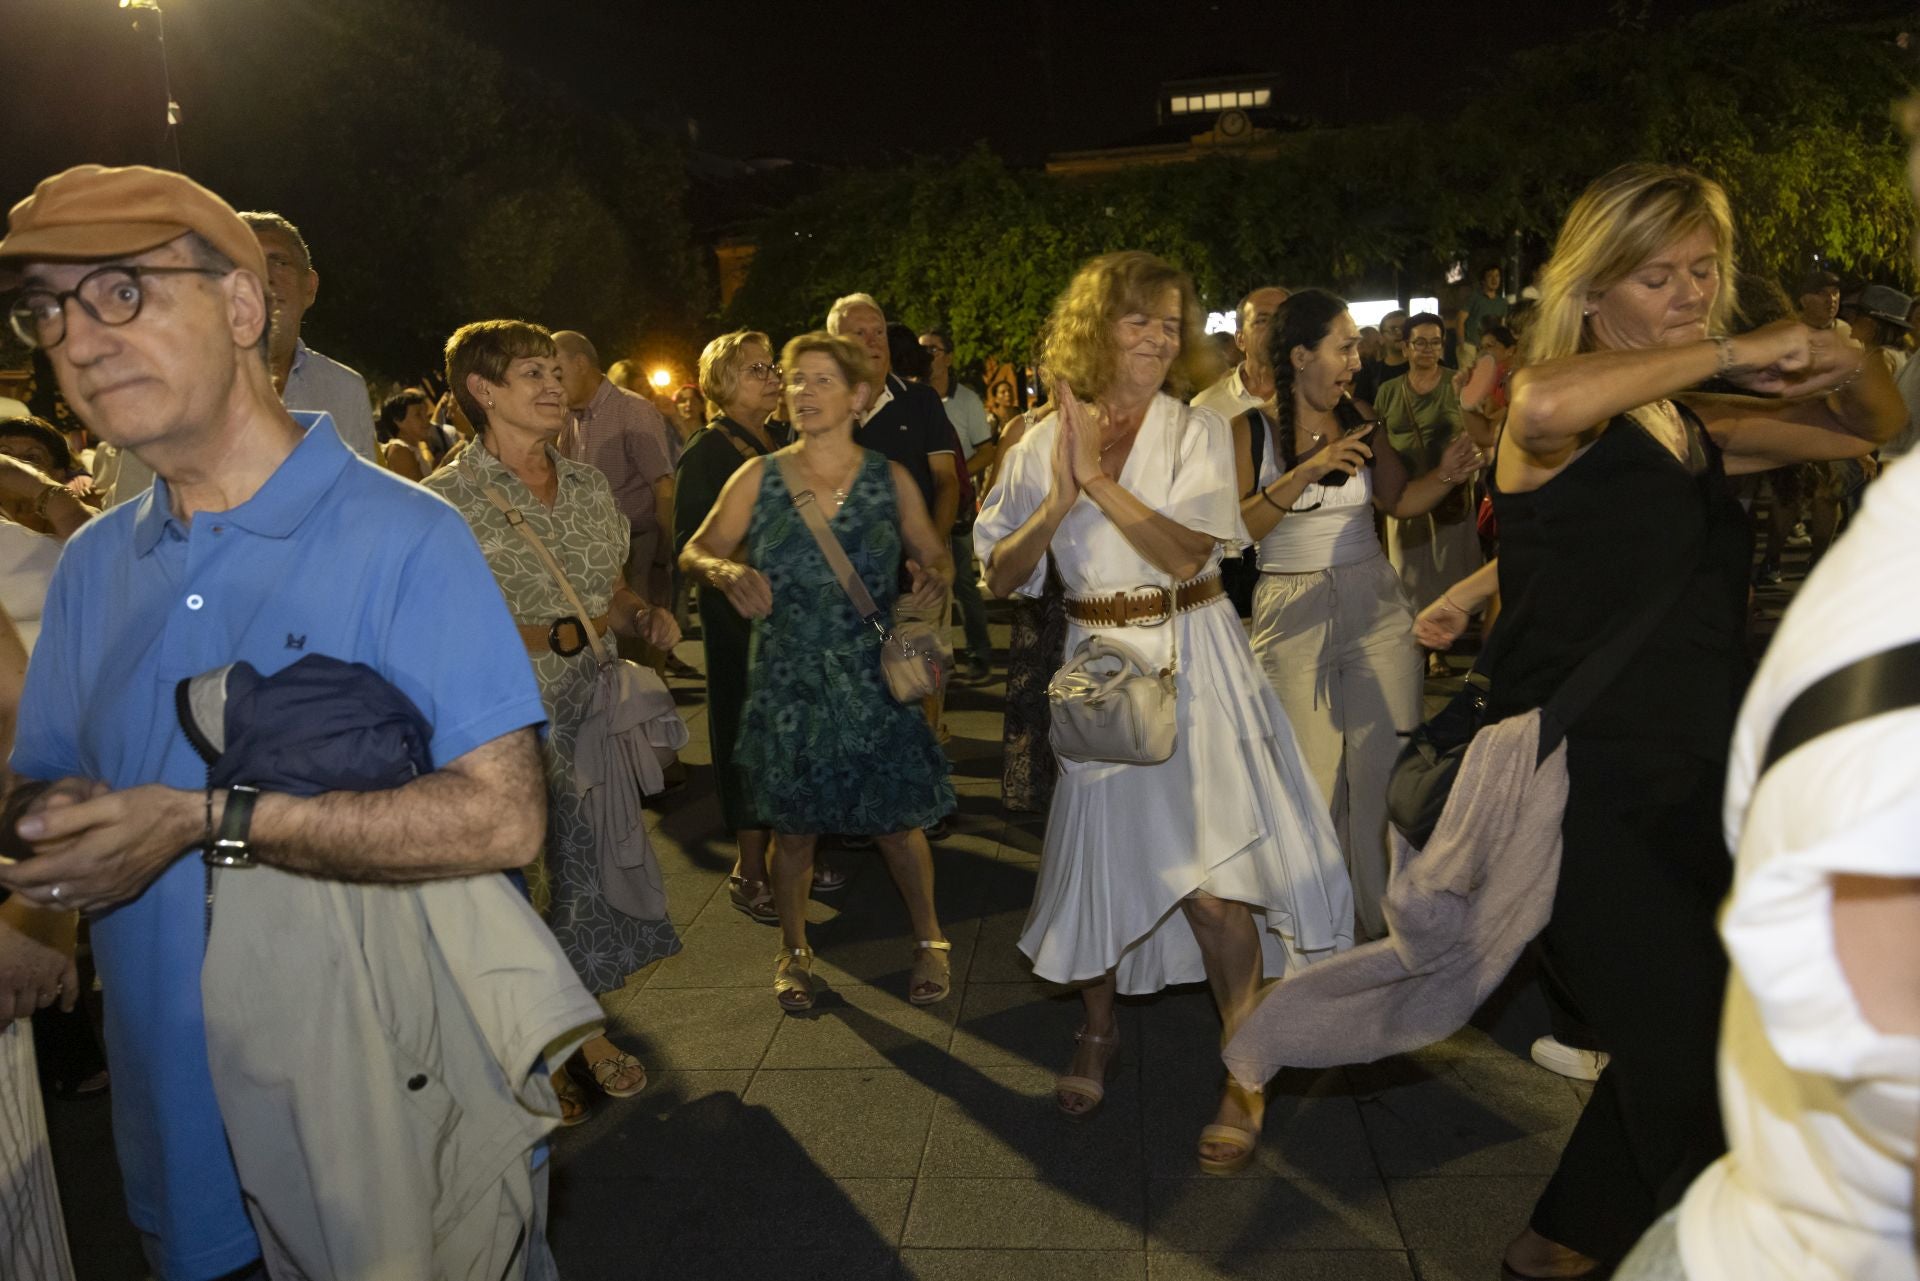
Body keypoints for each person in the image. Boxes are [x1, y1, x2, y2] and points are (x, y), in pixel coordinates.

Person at [0, 163, 558, 1281]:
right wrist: (45, 864)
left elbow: (504, 822)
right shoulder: (96, 562)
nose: (78, 340)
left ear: (245, 307)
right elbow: (45, 773)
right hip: (180, 1146)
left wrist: (203, 818)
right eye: (46, 310)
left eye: (121, 292)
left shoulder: (406, 534)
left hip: (391, 1123)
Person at [1463, 162, 1903, 1279]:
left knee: (1705, 1040)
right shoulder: (1555, 418)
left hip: (1697, 786)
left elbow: (1873, 431)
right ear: (1595, 291)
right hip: (1587, 801)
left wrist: (1849, 360)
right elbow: (1545, 401)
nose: (1691, 294)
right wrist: (1740, 352)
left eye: (1704, 270)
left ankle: (1553, 1248)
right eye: (1657, 276)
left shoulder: (1694, 430)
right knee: (1711, 1074)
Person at [974, 251, 1352, 1174]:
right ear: (1095, 328)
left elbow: (1189, 554)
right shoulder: (1036, 439)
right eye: (1137, 319)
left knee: (1216, 887)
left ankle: (1247, 1062)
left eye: (1169, 322)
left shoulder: (1193, 430)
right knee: (1102, 865)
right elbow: (999, 573)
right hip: (1098, 667)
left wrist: (1097, 483)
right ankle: (1097, 1033)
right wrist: (1056, 494)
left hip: (1196, 656)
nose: (1155, 337)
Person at [424, 319, 682, 1123]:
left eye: (553, 370)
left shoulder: (588, 486)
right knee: (524, 881)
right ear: (482, 391)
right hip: (503, 711)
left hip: (591, 700)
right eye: (528, 372)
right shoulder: (441, 502)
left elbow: (602, 590)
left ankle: (568, 1026)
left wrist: (641, 615)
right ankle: (563, 1042)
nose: (550, 383)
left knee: (586, 869)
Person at [681, 331, 957, 1013]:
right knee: (794, 829)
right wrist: (725, 568)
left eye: (820, 381)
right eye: (795, 379)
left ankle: (930, 939)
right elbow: (695, 548)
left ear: (859, 397)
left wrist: (930, 582)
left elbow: (937, 554)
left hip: (870, 674)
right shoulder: (759, 476)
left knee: (896, 823)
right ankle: (795, 949)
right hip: (788, 676)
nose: (801, 392)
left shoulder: (888, 478)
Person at [1239, 289, 1480, 940]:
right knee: (1311, 779)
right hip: (1291, 610)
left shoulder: (1364, 417)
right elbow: (1241, 526)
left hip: (1374, 601)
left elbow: (1402, 501)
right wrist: (1309, 467)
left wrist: (1450, 475)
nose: (1357, 356)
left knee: (1386, 771)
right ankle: (1310, 929)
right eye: (1344, 345)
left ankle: (1385, 923)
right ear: (1300, 355)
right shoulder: (1252, 428)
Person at [672, 330, 791, 923]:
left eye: (772, 366)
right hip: (739, 621)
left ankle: (795, 849)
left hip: (790, 618)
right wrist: (729, 565)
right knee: (744, 730)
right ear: (721, 383)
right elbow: (687, 547)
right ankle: (750, 865)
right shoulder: (709, 451)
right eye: (755, 369)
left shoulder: (785, 439)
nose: (772, 376)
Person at [553, 329, 688, 688]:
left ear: (581, 364)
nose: (553, 382)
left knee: (641, 654)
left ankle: (649, 732)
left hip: (636, 550)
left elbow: (663, 488)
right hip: (589, 553)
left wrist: (662, 556)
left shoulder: (632, 411)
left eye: (557, 371)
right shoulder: (568, 418)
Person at [1373, 312, 1483, 645]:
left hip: (1450, 493)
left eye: (1435, 342)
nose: (1427, 349)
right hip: (1406, 492)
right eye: (1419, 342)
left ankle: (1440, 640)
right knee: (1408, 573)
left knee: (1450, 568)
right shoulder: (1389, 391)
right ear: (1405, 347)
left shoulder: (1457, 384)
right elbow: (1379, 441)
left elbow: (1478, 428)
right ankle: (1416, 641)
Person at [237, 211, 379, 461]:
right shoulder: (180, 389)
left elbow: (360, 497)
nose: (265, 277)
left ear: (310, 287)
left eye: (279, 262)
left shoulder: (346, 391)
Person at [920, 329, 994, 683]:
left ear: (948, 357)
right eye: (921, 350)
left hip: (957, 506)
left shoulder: (966, 401)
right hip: (920, 506)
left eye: (933, 350)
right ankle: (935, 663)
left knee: (963, 582)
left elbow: (988, 449)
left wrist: (958, 475)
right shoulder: (912, 399)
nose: (927, 356)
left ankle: (980, 654)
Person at [1192, 286, 1287, 423]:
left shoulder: (1318, 396)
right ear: (1240, 340)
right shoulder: (1207, 408)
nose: (1276, 327)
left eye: (1284, 318)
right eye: (1262, 321)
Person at [374, 388, 441, 481]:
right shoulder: (399, 452)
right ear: (398, 421)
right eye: (418, 415)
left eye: (424, 414)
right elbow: (421, 490)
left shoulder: (410, 448)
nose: (426, 420)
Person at [1353, 308, 1409, 402]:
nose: (1400, 333)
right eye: (1393, 329)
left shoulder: (1427, 366)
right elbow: (1361, 402)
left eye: (1405, 328)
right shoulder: (1371, 372)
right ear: (1381, 337)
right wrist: (1379, 417)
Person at [669, 384, 707, 458]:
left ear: (702, 406)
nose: (689, 404)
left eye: (694, 400)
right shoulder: (673, 441)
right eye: (683, 401)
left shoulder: (714, 431)